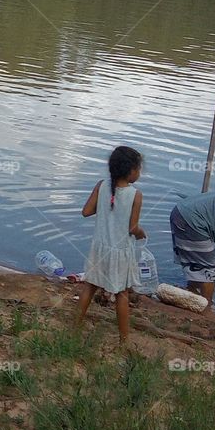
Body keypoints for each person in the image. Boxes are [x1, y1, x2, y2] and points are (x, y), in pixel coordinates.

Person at [74, 146, 146, 345]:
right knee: (122, 294)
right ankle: (124, 341)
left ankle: (75, 328)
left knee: (89, 287)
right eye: (139, 169)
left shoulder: (101, 185)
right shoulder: (135, 195)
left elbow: (86, 211)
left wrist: (106, 209)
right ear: (131, 170)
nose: (139, 173)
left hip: (99, 248)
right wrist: (142, 233)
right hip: (120, 252)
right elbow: (132, 228)